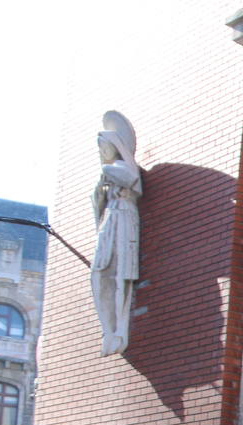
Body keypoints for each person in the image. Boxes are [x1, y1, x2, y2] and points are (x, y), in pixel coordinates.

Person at [91, 111, 142, 356]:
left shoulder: (120, 167)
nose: (102, 153)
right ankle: (108, 328)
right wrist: (99, 193)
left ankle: (120, 328)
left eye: (105, 147)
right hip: (109, 222)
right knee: (100, 272)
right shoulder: (107, 172)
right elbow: (97, 204)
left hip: (123, 219)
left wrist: (107, 172)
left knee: (121, 272)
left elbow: (131, 177)